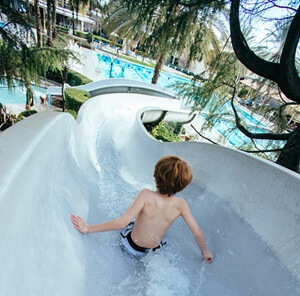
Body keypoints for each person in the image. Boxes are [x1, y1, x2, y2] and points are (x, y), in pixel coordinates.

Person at [70, 155, 213, 262]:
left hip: (132, 247)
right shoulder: (181, 204)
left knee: (132, 220)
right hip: (153, 250)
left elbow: (121, 223)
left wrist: (88, 228)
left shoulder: (145, 195)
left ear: (155, 177)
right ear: (182, 187)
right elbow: (198, 233)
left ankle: (139, 208)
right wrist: (205, 252)